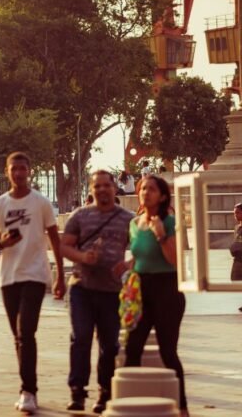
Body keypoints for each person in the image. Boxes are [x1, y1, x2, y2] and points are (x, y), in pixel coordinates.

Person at [0, 152, 65, 415]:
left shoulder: (41, 203)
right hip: (8, 277)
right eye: (14, 169)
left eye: (22, 168)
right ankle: (27, 388)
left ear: (29, 170)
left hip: (35, 274)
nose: (18, 173)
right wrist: (0, 243)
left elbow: (55, 239)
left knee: (26, 332)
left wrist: (59, 275)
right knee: (18, 336)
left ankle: (28, 391)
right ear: (7, 172)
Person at [60, 171, 134, 413]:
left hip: (112, 290)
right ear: (91, 189)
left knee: (109, 344)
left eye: (106, 185)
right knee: (80, 338)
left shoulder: (128, 219)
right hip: (82, 288)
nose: (102, 190)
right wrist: (83, 257)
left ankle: (105, 391)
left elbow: (141, 248)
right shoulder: (80, 216)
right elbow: (64, 246)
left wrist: (128, 264)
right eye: (97, 186)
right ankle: (77, 390)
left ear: (114, 188)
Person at [123, 175, 188, 416]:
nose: (145, 193)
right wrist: (126, 266)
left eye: (151, 189)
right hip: (141, 289)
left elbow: (175, 260)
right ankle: (131, 404)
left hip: (167, 289)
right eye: (142, 189)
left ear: (162, 196)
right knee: (132, 347)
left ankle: (182, 406)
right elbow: (141, 255)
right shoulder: (134, 223)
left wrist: (161, 235)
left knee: (167, 351)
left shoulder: (170, 222)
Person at [230, 202, 242, 312]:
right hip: (237, 258)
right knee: (235, 279)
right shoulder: (237, 227)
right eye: (234, 213)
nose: (235, 215)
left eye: (237, 213)